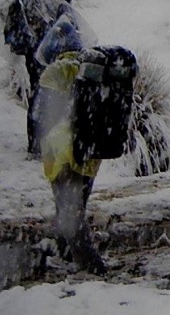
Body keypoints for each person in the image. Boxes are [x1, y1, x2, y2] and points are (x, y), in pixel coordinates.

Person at [32, 15, 105, 275]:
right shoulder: (90, 68)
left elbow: (41, 113)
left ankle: (92, 267)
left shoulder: (55, 71)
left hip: (62, 151)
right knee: (76, 205)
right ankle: (66, 252)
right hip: (89, 152)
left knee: (68, 210)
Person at [4, 0, 85, 157]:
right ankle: (41, 143)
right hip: (44, 56)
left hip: (34, 52)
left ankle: (35, 142)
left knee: (37, 94)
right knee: (45, 96)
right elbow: (73, 37)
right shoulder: (61, 7)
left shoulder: (43, 1)